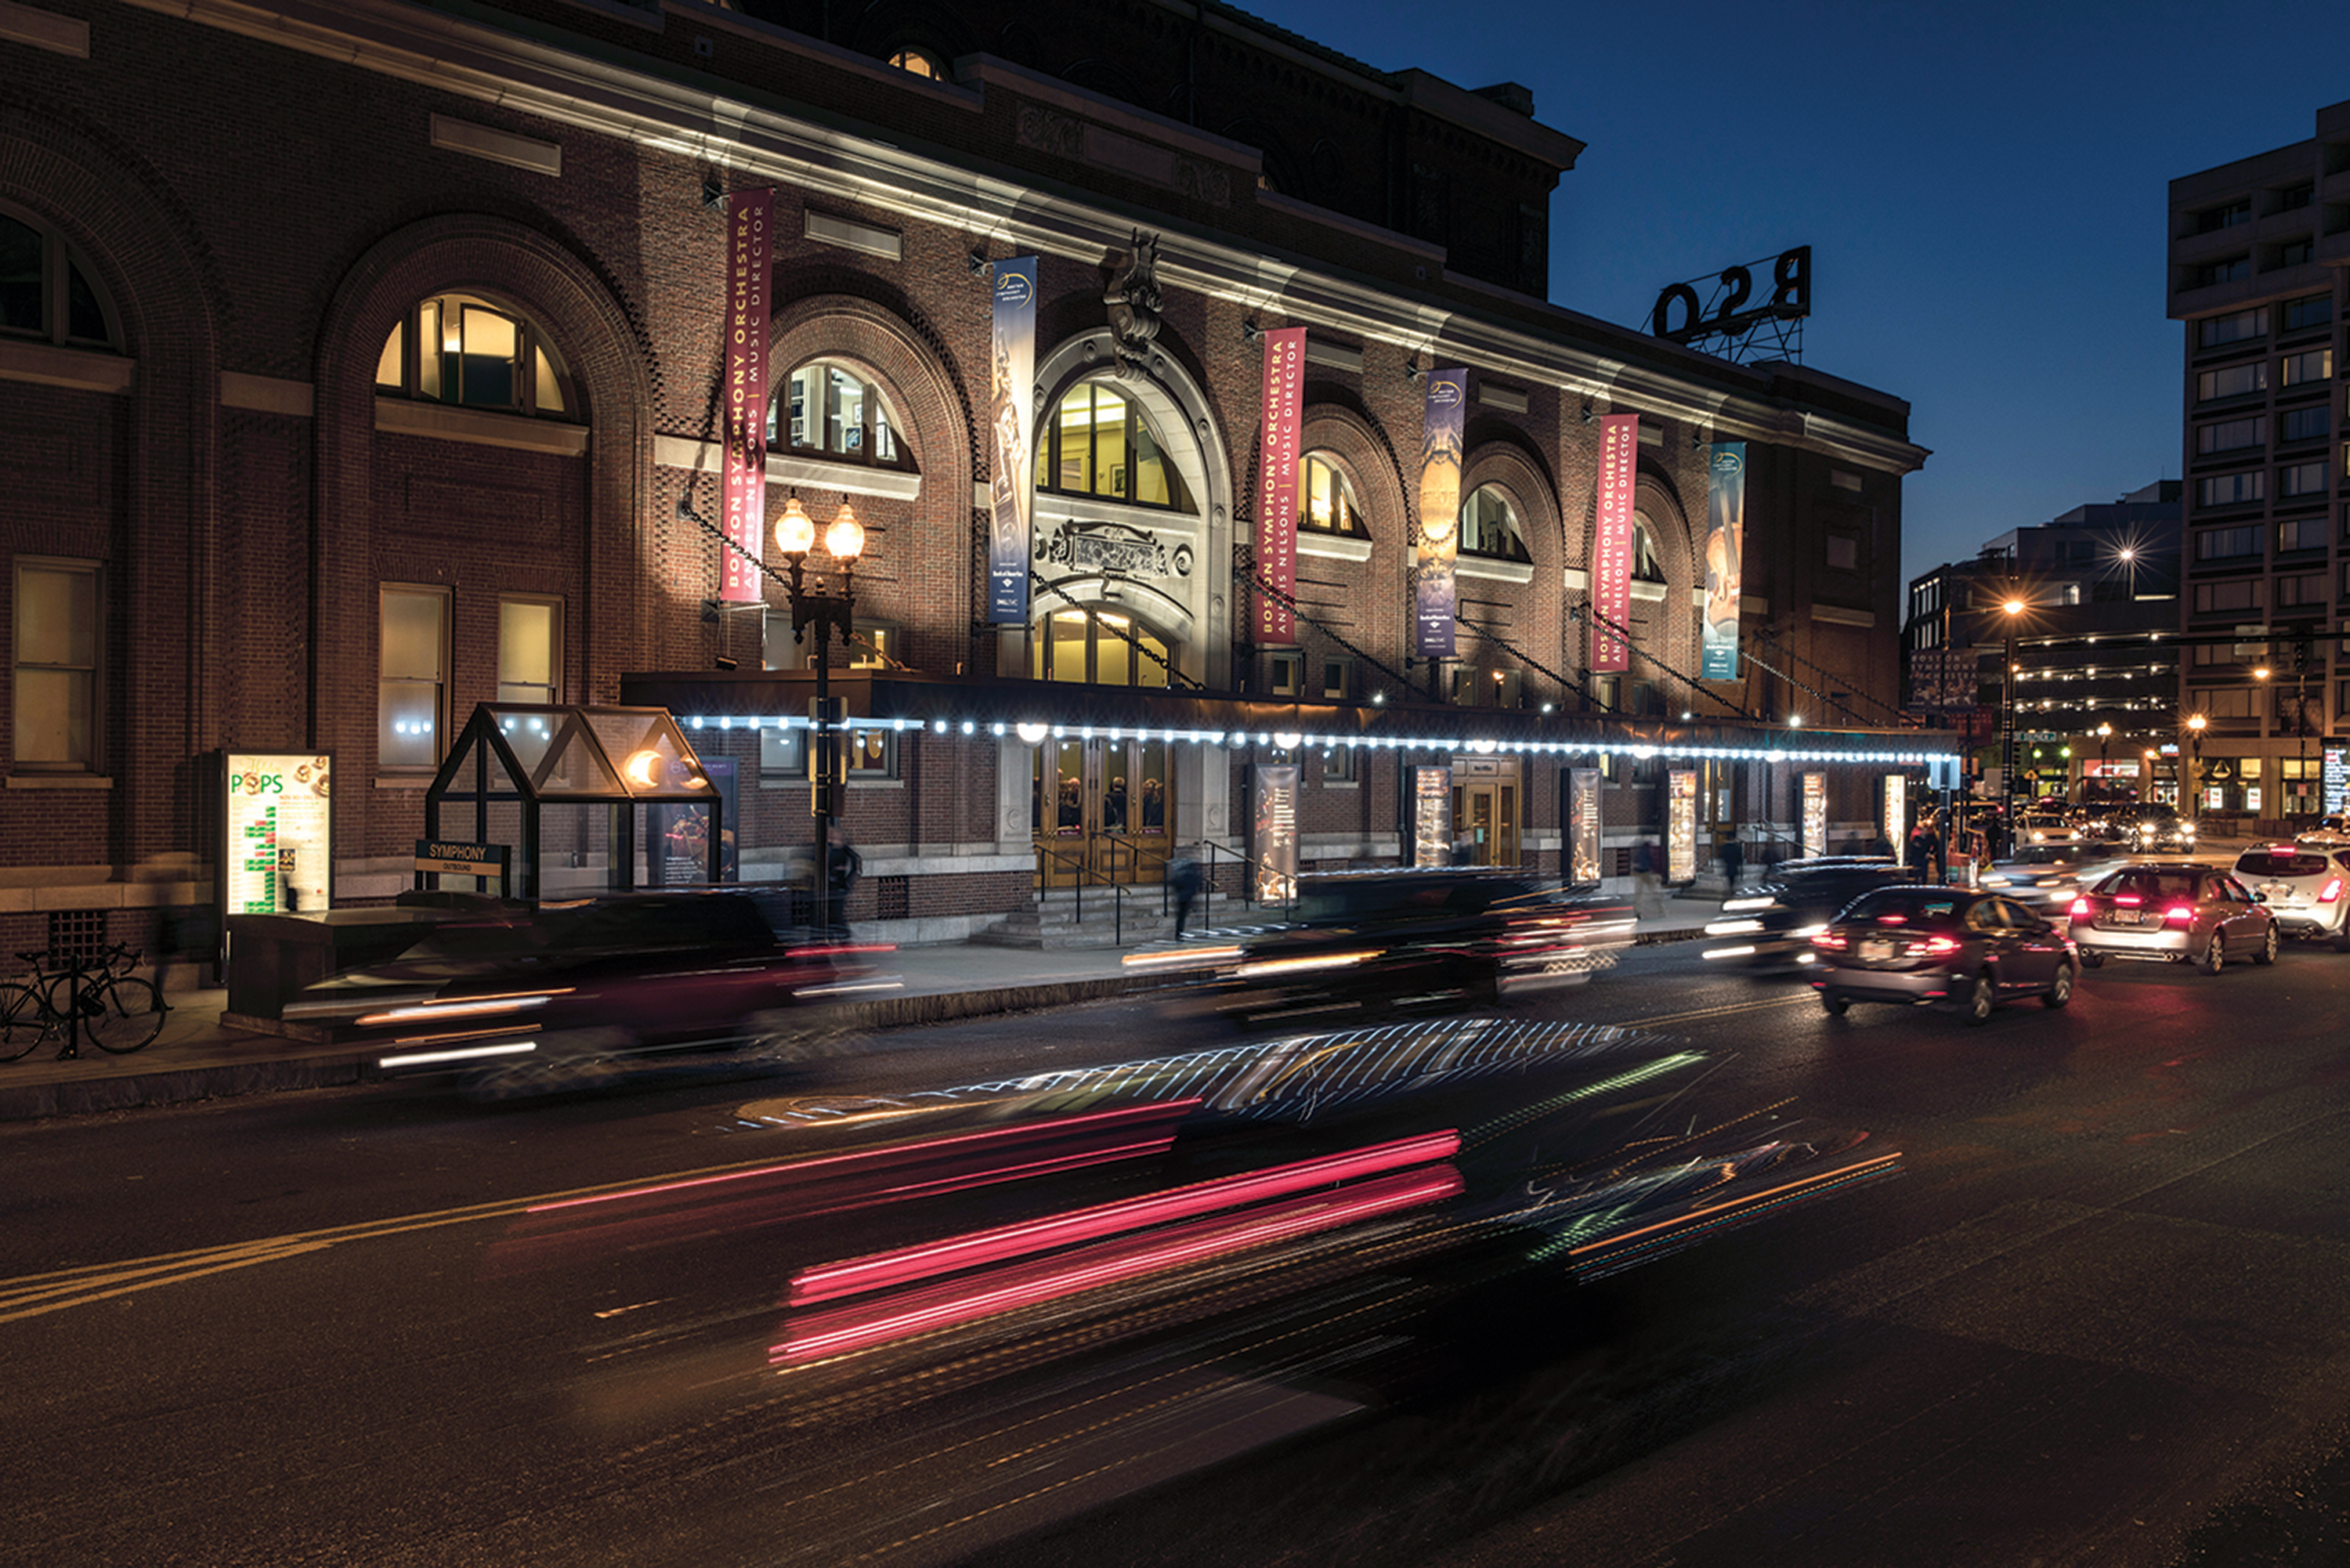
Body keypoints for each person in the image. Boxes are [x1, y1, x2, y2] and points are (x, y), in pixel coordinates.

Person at [1167, 853, 1203, 938]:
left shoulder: (1180, 873)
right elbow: (1197, 881)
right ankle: (1180, 933)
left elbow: (1175, 883)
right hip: (1187, 895)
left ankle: (1179, 933)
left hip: (1183, 895)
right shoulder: (1191, 871)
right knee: (1182, 915)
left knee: (1181, 916)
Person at [1632, 838, 1665, 919]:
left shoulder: (1639, 852)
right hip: (1647, 873)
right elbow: (1652, 863)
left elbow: (1635, 861)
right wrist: (1657, 874)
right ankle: (1661, 910)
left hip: (1639, 873)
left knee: (1639, 894)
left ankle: (1637, 912)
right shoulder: (1648, 852)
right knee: (1655, 892)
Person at [1719, 834, 1744, 900]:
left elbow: (1723, 856)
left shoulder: (1726, 847)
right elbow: (1739, 856)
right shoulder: (1736, 847)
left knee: (1730, 878)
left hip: (1729, 865)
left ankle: (1730, 890)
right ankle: (1732, 890)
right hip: (1734, 865)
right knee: (1733, 879)